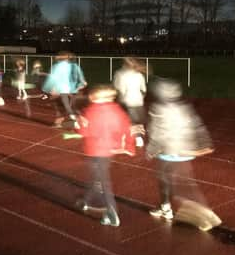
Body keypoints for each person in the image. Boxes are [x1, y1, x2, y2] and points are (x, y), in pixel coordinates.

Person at [146, 78, 214, 224]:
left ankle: (167, 209)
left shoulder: (158, 109)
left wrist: (151, 150)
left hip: (168, 151)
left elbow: (157, 132)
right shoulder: (184, 107)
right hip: (184, 151)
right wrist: (205, 143)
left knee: (165, 182)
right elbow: (197, 125)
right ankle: (196, 210)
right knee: (186, 183)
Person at [76, 86, 135, 227]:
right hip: (109, 150)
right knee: (98, 177)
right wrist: (129, 146)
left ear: (94, 97)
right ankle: (86, 201)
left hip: (94, 149)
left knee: (103, 181)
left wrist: (78, 124)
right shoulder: (119, 111)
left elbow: (83, 132)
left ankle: (111, 212)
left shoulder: (90, 111)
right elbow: (127, 129)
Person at [43, 52, 87, 128]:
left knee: (63, 107)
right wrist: (78, 87)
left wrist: (47, 89)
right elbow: (84, 82)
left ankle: (78, 121)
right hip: (72, 92)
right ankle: (59, 123)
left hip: (61, 91)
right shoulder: (75, 66)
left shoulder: (57, 66)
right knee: (69, 107)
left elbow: (52, 79)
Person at [113, 57, 147, 147]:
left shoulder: (120, 74)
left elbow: (120, 89)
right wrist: (141, 97)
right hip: (139, 100)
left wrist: (119, 100)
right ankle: (138, 137)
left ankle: (134, 137)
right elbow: (143, 90)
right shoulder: (139, 75)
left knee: (128, 120)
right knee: (137, 121)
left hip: (126, 101)